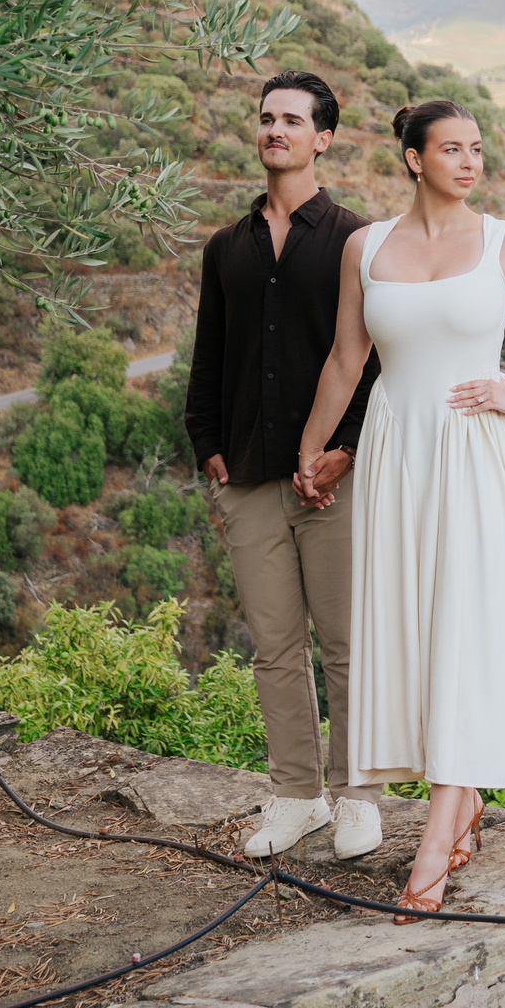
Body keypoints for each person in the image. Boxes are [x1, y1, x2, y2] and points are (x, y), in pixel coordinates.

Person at [292, 99, 505, 919]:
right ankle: (462, 802)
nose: (469, 163)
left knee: (463, 629)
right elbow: (347, 358)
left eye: (476, 150)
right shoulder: (365, 247)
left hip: (476, 454)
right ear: (413, 158)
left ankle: (434, 842)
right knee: (414, 628)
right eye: (452, 149)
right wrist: (310, 450)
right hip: (397, 453)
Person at [183, 69, 387, 861]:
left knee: (347, 644)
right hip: (248, 477)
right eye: (267, 117)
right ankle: (298, 794)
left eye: (293, 120)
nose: (276, 129)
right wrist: (207, 442)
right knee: (274, 647)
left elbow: (376, 361)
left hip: (336, 477)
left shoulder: (355, 240)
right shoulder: (225, 248)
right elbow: (210, 354)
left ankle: (359, 797)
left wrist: (347, 450)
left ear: (323, 138)